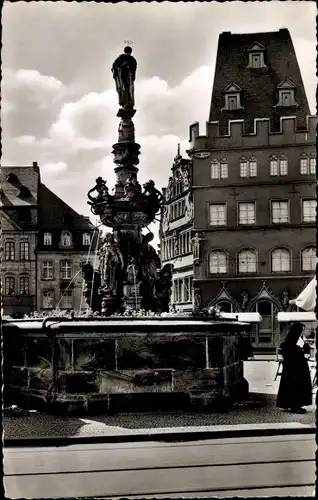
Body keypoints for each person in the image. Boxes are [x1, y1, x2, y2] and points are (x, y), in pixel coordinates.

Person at [276, 323, 312, 413]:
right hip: (293, 370)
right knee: (294, 387)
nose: (302, 332)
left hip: (297, 368)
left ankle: (295, 405)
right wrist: (300, 351)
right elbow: (290, 353)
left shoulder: (297, 340)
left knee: (297, 386)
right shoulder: (290, 342)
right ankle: (294, 406)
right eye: (301, 330)